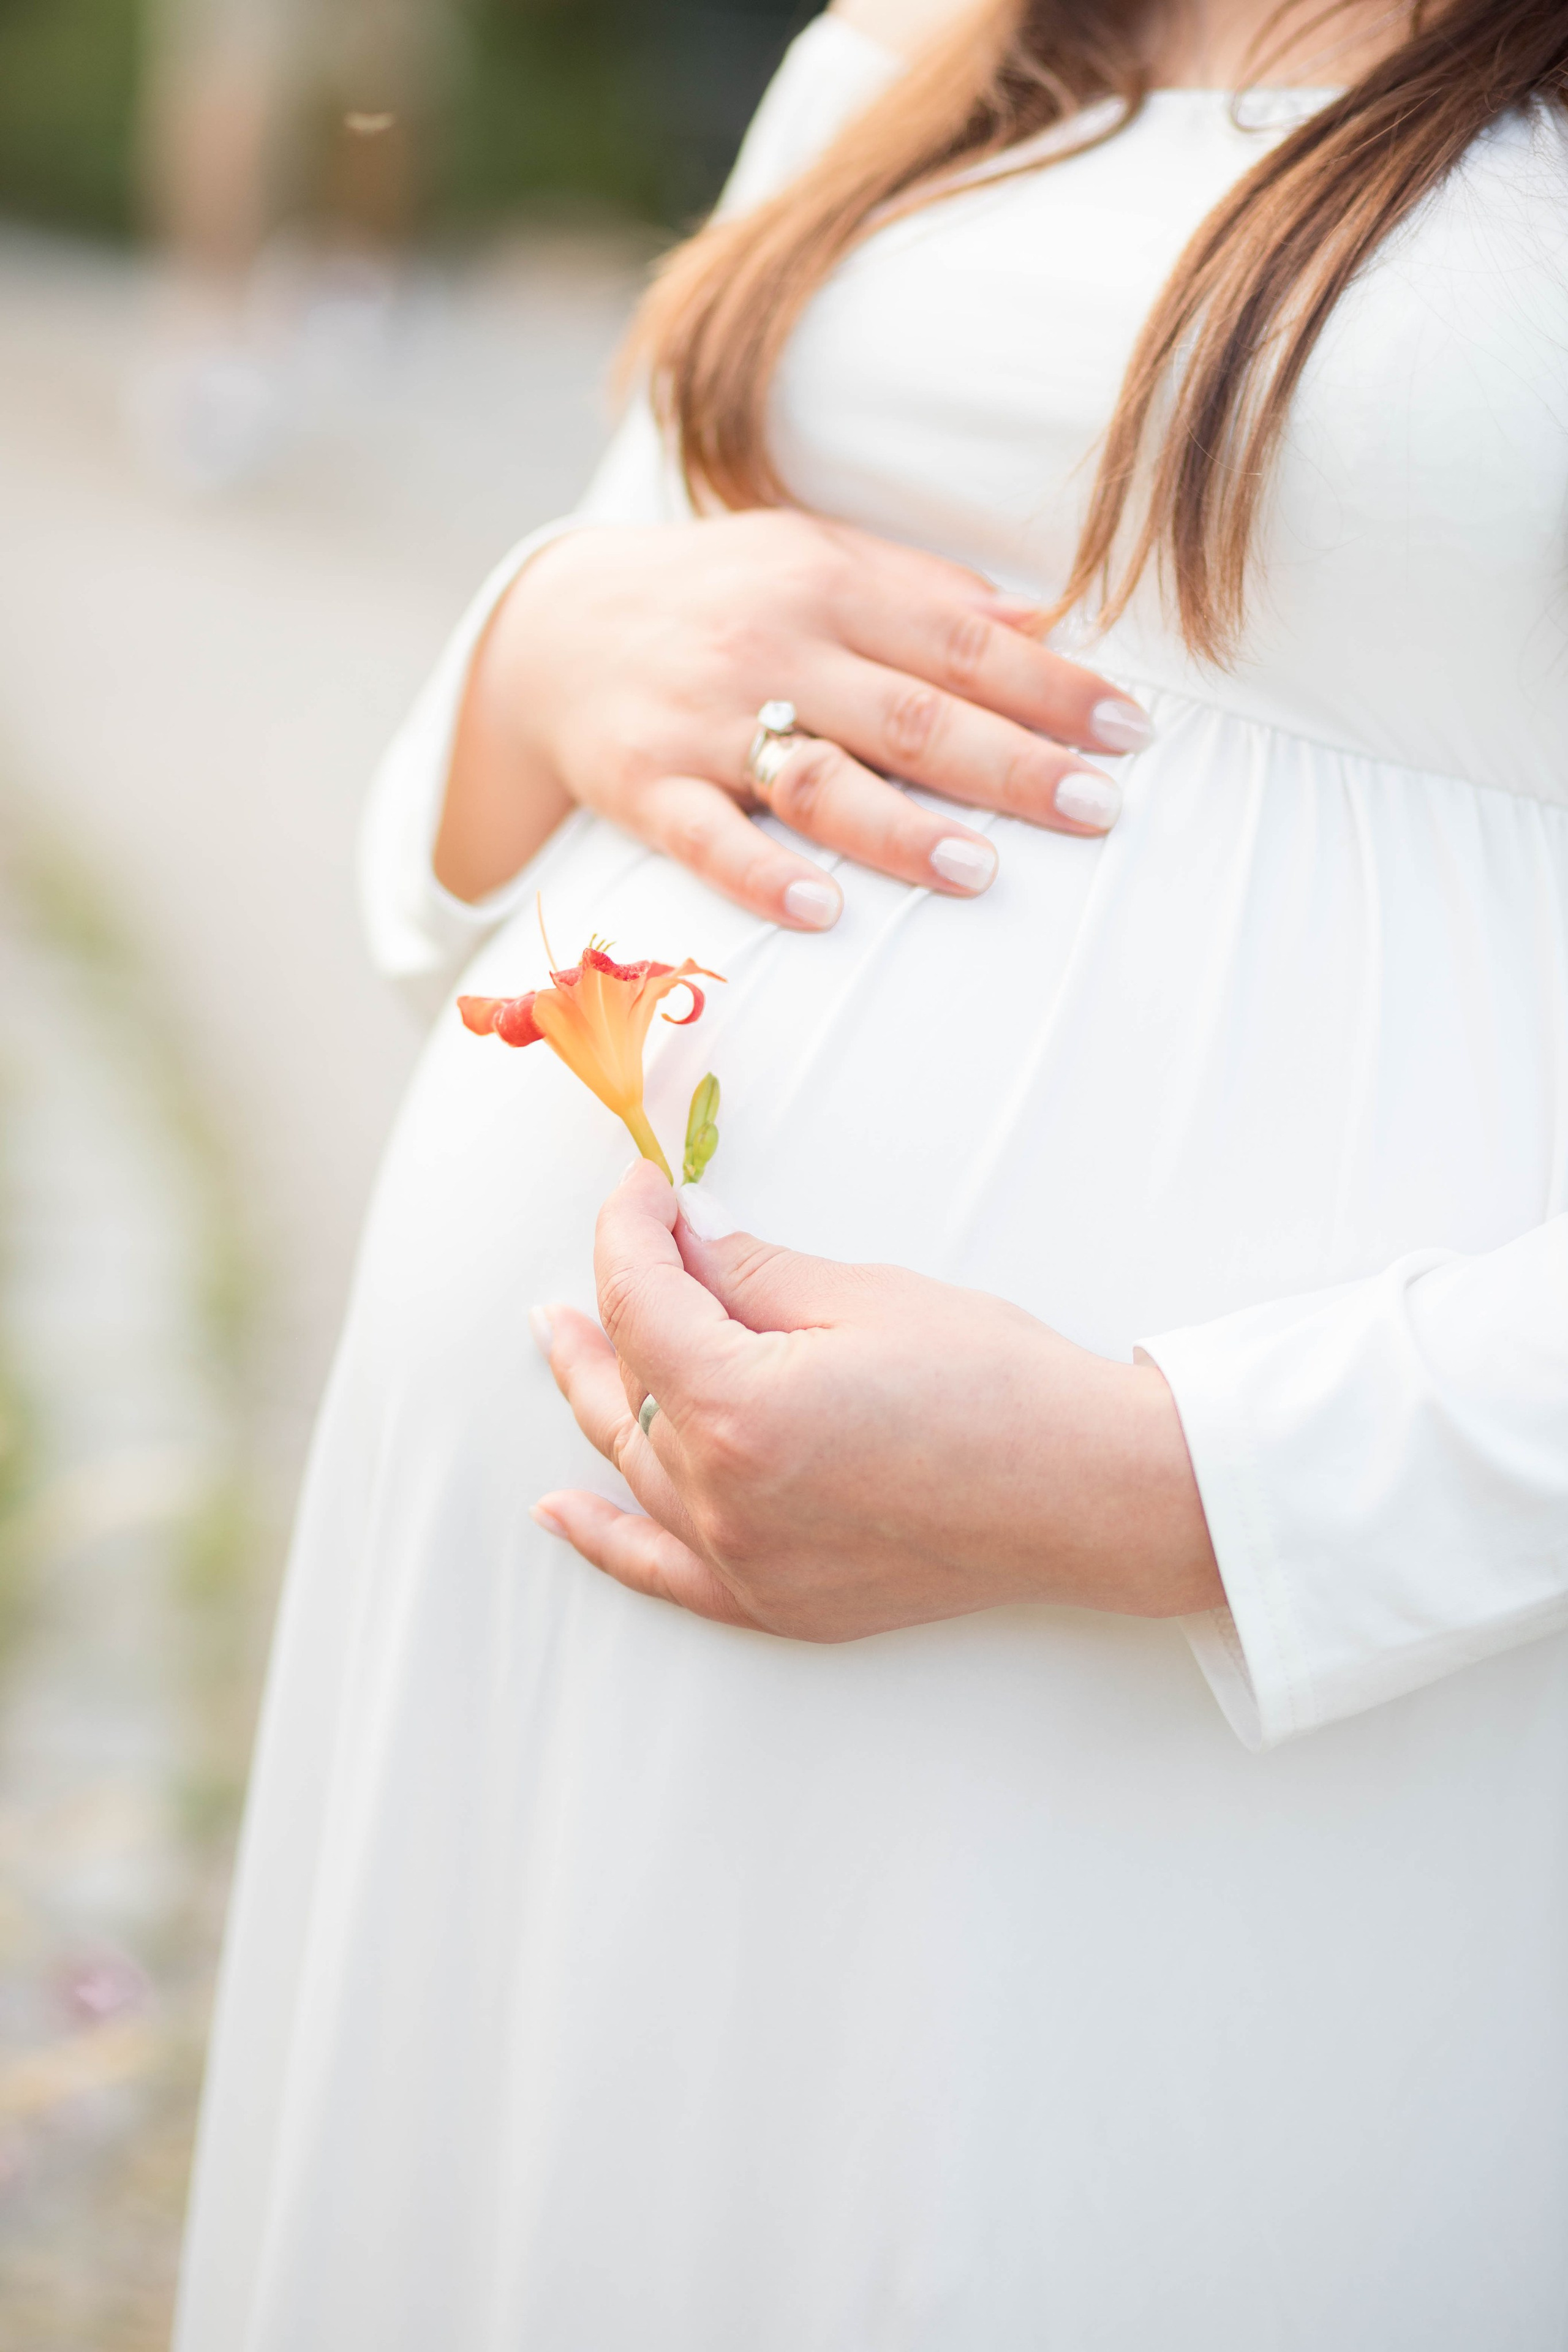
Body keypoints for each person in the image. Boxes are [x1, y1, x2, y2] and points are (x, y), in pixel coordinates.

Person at [175, 1, 1568, 2344]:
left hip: (1217, 1712)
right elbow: (588, 653)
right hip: (534, 1595)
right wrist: (544, 640)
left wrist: (1179, 1487)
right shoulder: (926, 46)